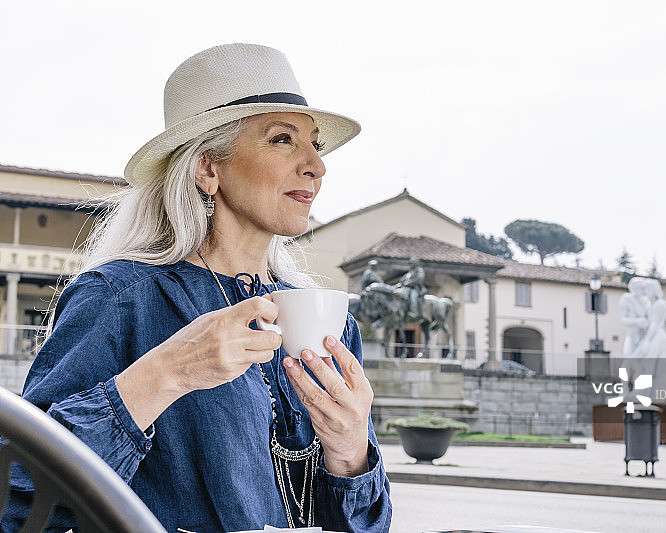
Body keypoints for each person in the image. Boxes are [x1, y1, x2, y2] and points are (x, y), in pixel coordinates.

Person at [1, 44, 391, 532]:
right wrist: (167, 373)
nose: (317, 165)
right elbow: (17, 501)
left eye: (315, 143)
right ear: (208, 167)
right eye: (282, 140)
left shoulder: (329, 320)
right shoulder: (121, 299)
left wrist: (352, 450)